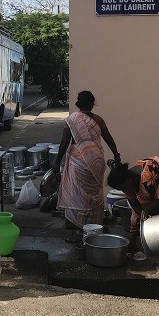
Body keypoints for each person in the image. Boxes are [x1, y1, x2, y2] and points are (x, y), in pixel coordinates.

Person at [52, 91, 121, 240]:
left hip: (79, 162)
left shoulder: (71, 119)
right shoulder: (99, 120)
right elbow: (109, 139)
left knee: (78, 196)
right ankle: (95, 228)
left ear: (78, 103)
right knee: (95, 194)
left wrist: (57, 162)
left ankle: (80, 229)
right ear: (91, 104)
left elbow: (64, 143)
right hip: (96, 161)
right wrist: (117, 155)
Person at [107, 158, 159, 268]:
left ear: (129, 180)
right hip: (153, 192)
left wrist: (147, 211)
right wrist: (142, 214)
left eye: (124, 188)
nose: (124, 191)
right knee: (136, 217)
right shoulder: (127, 184)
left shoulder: (147, 177)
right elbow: (135, 205)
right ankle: (133, 247)